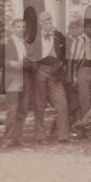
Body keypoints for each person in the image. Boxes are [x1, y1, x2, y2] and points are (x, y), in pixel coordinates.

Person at [28, 10, 70, 145]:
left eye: (50, 19)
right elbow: (29, 55)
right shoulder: (34, 37)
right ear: (40, 23)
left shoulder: (58, 36)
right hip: (41, 70)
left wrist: (62, 64)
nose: (48, 22)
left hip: (56, 71)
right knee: (39, 104)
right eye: (45, 20)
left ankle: (63, 136)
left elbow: (66, 53)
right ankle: (40, 136)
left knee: (62, 104)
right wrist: (36, 70)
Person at [1, 19, 33, 148]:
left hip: (26, 77)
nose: (21, 29)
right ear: (13, 28)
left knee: (23, 110)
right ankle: (7, 139)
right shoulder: (7, 43)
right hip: (13, 78)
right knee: (12, 110)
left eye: (23, 27)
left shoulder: (26, 43)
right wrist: (12, 64)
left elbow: (30, 59)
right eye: (18, 27)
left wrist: (29, 62)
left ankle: (17, 138)